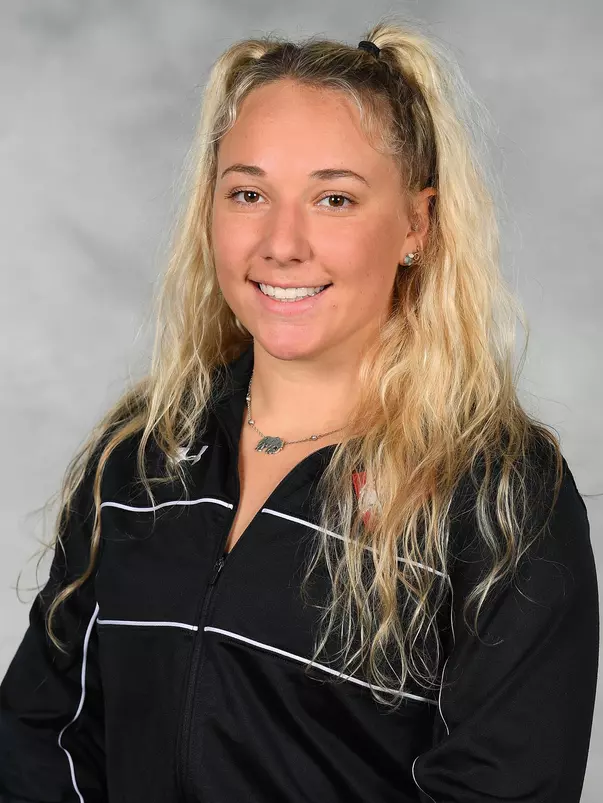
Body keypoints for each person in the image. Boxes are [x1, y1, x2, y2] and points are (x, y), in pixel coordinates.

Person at [0, 17, 598, 803]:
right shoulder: (141, 458)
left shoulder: (500, 497)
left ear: (416, 224)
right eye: (248, 193)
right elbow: (40, 744)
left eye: (333, 198)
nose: (282, 243)